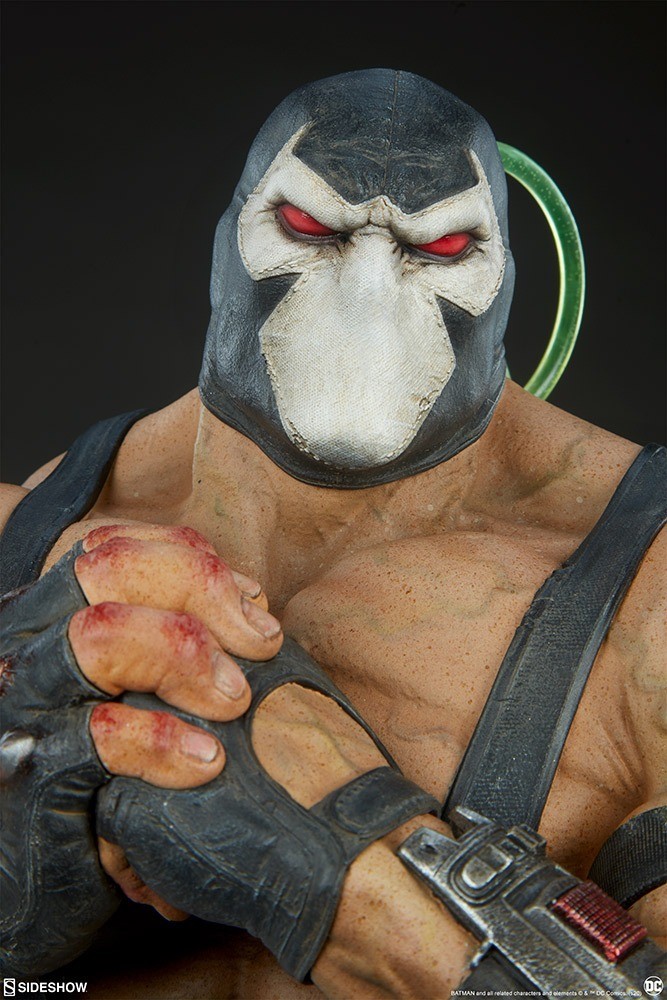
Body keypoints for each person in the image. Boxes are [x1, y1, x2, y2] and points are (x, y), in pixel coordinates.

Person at [1, 69, 664, 998]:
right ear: (230, 237)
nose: (366, 295)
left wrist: (349, 879)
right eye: (311, 228)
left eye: (438, 246)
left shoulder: (648, 594)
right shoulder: (24, 537)